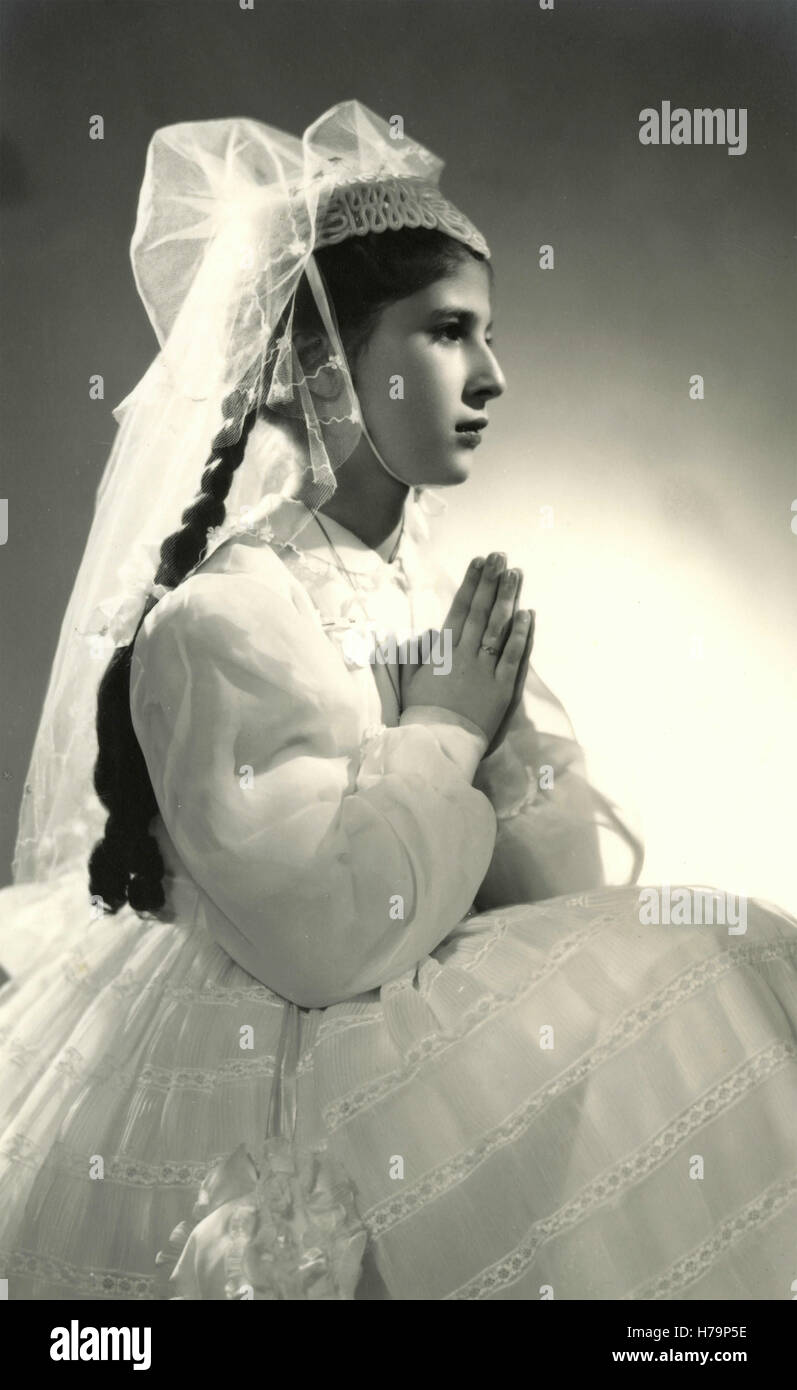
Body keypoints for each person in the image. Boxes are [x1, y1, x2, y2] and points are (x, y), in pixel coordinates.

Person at [1, 102, 795, 1302]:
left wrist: (506, 739)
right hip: (286, 1059)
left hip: (428, 997)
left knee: (713, 965)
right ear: (330, 364)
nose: (491, 375)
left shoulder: (422, 592)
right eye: (446, 332)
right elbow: (322, 937)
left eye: (486, 333)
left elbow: (558, 894)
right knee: (700, 968)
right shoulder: (220, 621)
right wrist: (445, 730)